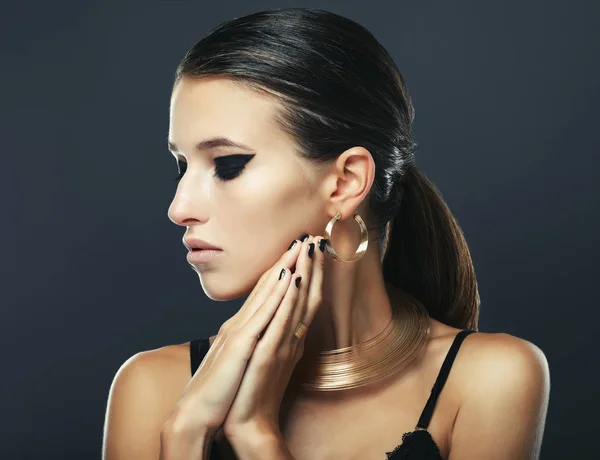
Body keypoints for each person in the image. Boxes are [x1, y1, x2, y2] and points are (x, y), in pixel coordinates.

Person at [102, 7, 550, 460]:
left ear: (345, 182)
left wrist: (255, 435)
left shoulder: (489, 379)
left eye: (228, 164)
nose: (179, 209)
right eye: (181, 165)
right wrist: (185, 435)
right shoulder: (152, 388)